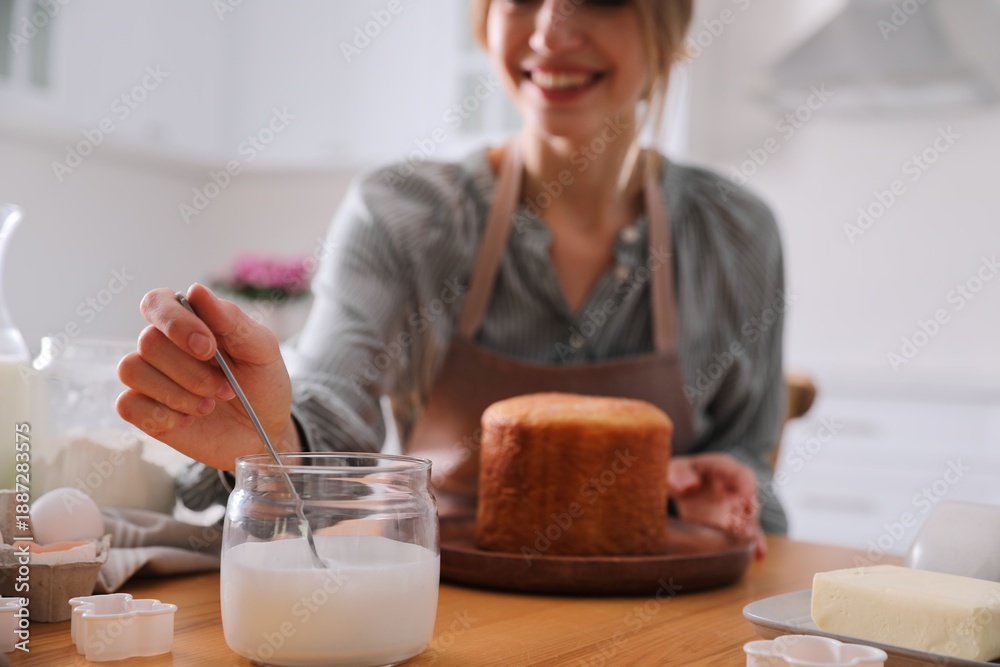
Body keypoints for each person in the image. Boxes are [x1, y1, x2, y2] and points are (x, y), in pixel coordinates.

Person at [117, 0, 787, 557]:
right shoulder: (403, 215)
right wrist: (271, 444)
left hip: (667, 616)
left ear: (667, 27)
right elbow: (333, 418)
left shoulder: (736, 233)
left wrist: (732, 493)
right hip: (451, 605)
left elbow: (749, 455)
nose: (551, 31)